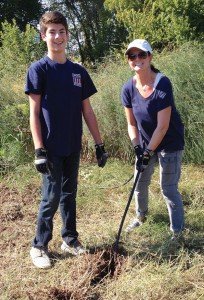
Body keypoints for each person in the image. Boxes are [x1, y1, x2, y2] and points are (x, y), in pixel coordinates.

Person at [25, 11, 108, 269]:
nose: (57, 36)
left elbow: (88, 111)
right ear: (43, 36)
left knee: (69, 194)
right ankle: (39, 245)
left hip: (73, 145)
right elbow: (34, 113)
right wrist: (39, 148)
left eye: (61, 31)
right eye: (52, 32)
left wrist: (99, 143)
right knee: (51, 196)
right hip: (50, 147)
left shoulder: (78, 72)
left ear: (67, 35)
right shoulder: (39, 70)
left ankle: (70, 240)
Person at [121, 39, 184, 240]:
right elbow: (132, 124)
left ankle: (177, 231)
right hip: (146, 142)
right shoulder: (128, 88)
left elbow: (163, 126)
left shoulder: (162, 84)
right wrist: (138, 148)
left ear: (150, 57)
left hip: (169, 143)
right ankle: (140, 217)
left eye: (141, 55)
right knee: (139, 182)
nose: (137, 59)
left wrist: (148, 152)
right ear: (128, 60)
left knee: (168, 188)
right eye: (132, 56)